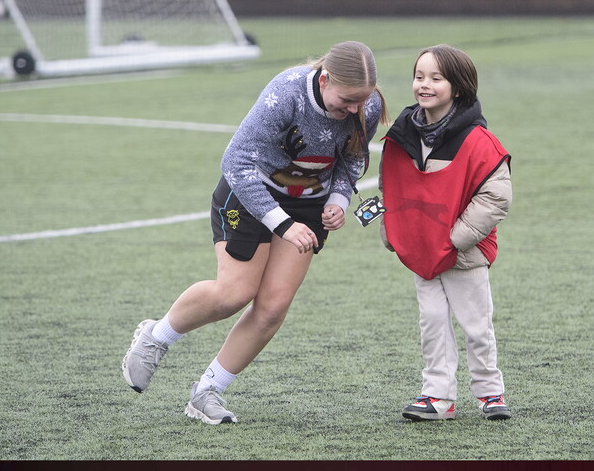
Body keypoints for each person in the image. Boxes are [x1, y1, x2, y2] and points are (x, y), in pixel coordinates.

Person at [122, 41, 388, 424]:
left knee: (273, 307)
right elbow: (236, 160)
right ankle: (156, 337)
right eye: (346, 100)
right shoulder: (287, 92)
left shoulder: (367, 104)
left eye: (360, 101)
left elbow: (353, 157)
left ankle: (207, 392)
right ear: (325, 79)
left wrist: (338, 199)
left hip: (307, 204)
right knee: (233, 294)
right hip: (251, 191)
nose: (353, 110)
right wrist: (283, 223)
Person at [378, 44, 513, 421]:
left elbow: (497, 197)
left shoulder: (479, 140)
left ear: (458, 87)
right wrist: (394, 229)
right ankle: (437, 396)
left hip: (464, 253)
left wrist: (455, 238)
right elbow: (392, 185)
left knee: (476, 326)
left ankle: (490, 392)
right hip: (422, 252)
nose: (424, 84)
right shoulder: (402, 135)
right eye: (419, 76)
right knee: (433, 323)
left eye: (436, 78)